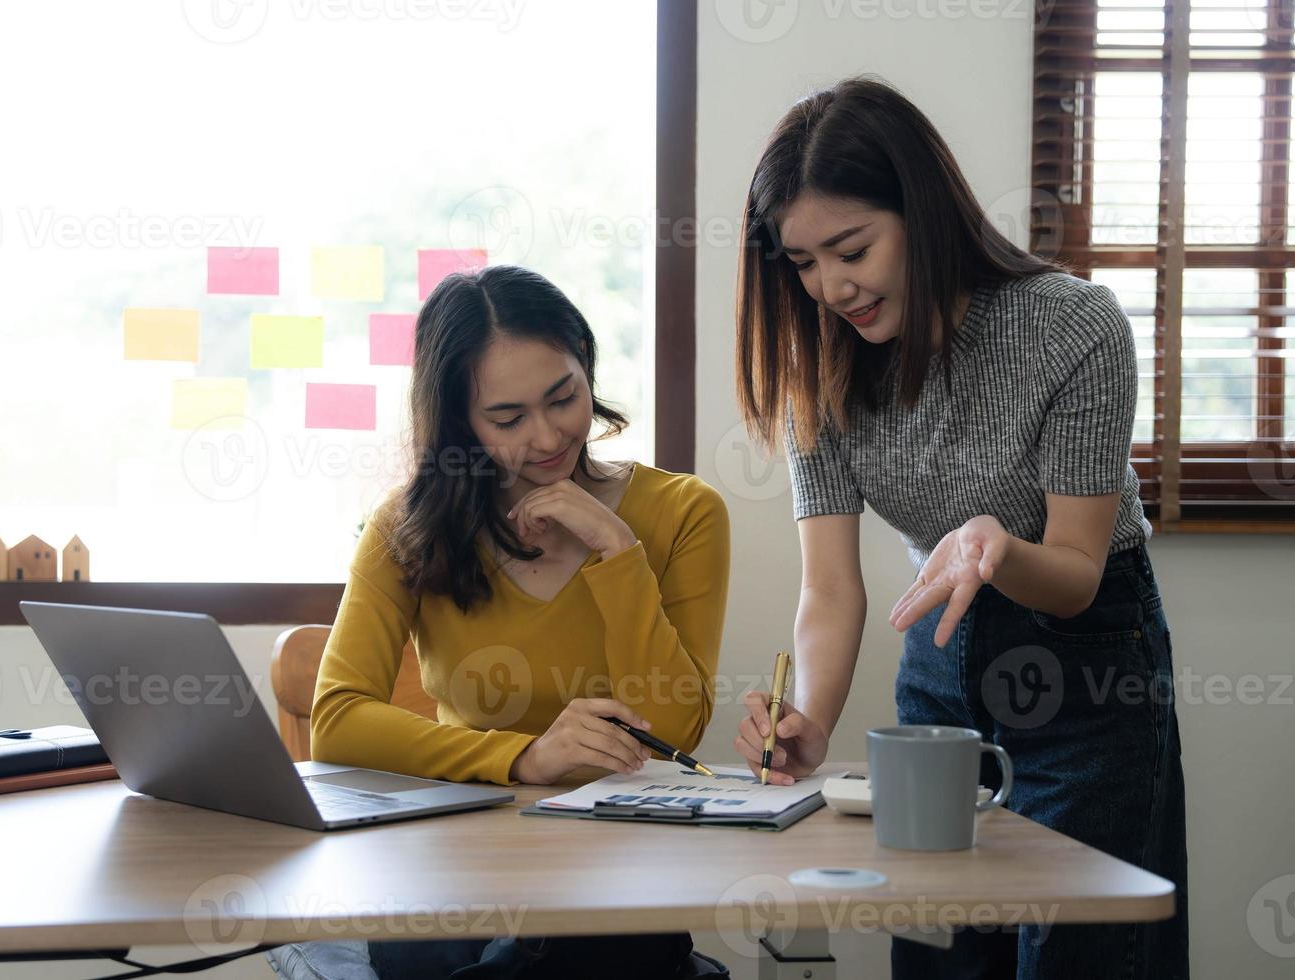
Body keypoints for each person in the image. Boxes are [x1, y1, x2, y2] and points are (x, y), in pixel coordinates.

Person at [729, 77, 1188, 980]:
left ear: (923, 211)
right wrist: (811, 719)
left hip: (1088, 660)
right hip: (939, 665)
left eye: (852, 248)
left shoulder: (1072, 325)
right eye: (804, 263)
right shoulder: (817, 372)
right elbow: (828, 585)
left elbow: (1078, 570)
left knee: (1081, 950)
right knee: (939, 946)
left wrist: (999, 546)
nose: (832, 287)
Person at [268, 264, 731, 980]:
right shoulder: (406, 528)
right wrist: (522, 759)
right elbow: (338, 719)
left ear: (587, 364)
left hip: (617, 868)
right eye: (507, 419)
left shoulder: (683, 512)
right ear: (460, 421)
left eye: (563, 397)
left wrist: (617, 549)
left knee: (595, 944)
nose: (547, 437)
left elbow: (676, 725)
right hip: (456, 865)